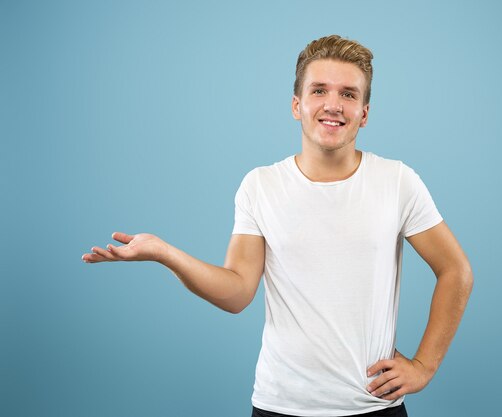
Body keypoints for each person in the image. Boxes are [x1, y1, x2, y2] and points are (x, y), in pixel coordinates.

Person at [82, 35, 473, 417]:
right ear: (296, 105)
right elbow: (237, 291)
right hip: (279, 406)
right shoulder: (260, 186)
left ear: (365, 113)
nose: (333, 105)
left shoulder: (397, 181)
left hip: (372, 406)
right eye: (319, 90)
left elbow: (455, 271)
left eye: (348, 94)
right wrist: (164, 253)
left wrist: (424, 366)